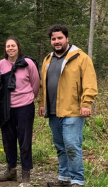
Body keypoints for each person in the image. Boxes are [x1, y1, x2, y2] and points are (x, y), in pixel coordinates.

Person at [38, 25, 98, 187]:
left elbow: (90, 82)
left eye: (59, 38)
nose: (56, 41)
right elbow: (43, 85)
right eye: (53, 39)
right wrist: (42, 103)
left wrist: (86, 103)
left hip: (73, 110)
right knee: (60, 146)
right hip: (53, 111)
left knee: (72, 145)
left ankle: (77, 180)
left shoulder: (81, 57)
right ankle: (64, 178)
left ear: (67, 38)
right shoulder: (48, 59)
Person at [0, 37, 40, 186]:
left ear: (18, 47)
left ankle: (26, 174)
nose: (10, 48)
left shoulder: (28, 63)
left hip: (25, 107)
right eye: (8, 46)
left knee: (24, 141)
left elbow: (35, 84)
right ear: (5, 49)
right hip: (6, 108)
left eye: (13, 45)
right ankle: (11, 170)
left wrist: (27, 98)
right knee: (8, 140)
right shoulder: (1, 64)